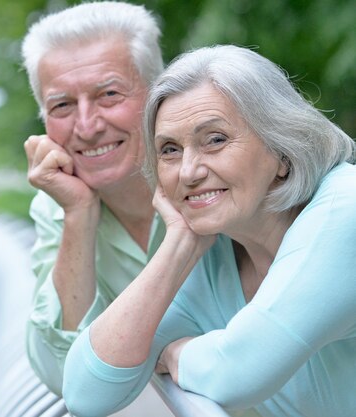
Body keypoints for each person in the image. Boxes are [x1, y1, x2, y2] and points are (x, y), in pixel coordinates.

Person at [63, 44, 356, 417]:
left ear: (283, 152)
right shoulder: (217, 254)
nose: (188, 171)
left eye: (215, 140)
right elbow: (84, 393)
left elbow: (238, 372)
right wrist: (178, 246)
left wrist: (176, 353)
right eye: (169, 150)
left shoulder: (347, 208)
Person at [20, 1, 166, 396]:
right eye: (62, 105)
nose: (86, 126)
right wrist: (79, 214)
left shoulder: (213, 176)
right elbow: (63, 376)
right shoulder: (58, 203)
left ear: (158, 95)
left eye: (109, 94)